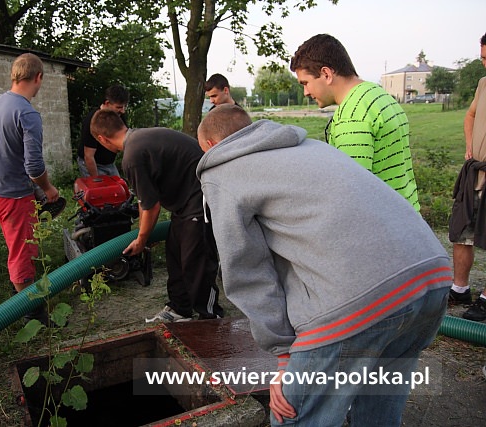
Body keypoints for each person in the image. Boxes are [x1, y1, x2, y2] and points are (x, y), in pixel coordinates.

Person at [196, 104, 451, 426]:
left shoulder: (222, 173)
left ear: (209, 146)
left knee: (295, 416)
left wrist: (284, 353)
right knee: (377, 412)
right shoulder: (309, 145)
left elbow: (246, 269)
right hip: (432, 274)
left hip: (359, 297)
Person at [90, 109, 223, 322]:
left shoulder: (132, 155)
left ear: (102, 139)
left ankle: (211, 315)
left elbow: (152, 207)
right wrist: (143, 232)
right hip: (185, 202)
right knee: (175, 254)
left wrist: (142, 239)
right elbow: (145, 201)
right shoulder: (139, 140)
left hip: (202, 197)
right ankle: (180, 309)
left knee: (195, 261)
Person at [290, 34, 420, 212]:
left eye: (306, 83)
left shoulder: (353, 115)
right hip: (407, 217)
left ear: (326, 74)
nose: (305, 92)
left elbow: (353, 193)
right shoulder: (378, 95)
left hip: (384, 226)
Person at [0, 53, 63, 325]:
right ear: (38, 77)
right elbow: (34, 166)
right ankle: (33, 314)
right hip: (13, 195)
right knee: (24, 253)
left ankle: (19, 287)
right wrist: (49, 189)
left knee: (15, 245)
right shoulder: (27, 113)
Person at [447, 32, 486, 320]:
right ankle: (460, 289)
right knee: (462, 232)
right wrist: (469, 145)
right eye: (483, 59)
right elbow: (470, 115)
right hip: (475, 172)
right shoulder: (484, 84)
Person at [77, 85, 130, 177]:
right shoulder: (92, 121)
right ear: (107, 103)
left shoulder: (118, 116)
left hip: (109, 163)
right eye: (119, 107)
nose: (123, 111)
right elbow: (89, 156)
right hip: (92, 163)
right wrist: (96, 180)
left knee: (119, 188)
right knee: (100, 190)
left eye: (124, 107)